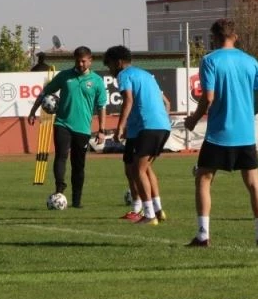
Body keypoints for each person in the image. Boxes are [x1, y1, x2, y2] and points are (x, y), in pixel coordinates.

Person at [184, 19, 258, 247]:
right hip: (245, 134)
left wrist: (193, 119)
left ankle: (203, 235)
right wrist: (247, 113)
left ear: (214, 38)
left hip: (219, 133)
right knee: (253, 182)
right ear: (235, 36)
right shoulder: (250, 61)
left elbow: (208, 97)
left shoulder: (210, 60)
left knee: (203, 178)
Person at [27, 46, 107, 208]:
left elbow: (101, 107)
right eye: (78, 61)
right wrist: (33, 111)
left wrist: (101, 130)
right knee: (61, 156)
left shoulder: (97, 81)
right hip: (62, 123)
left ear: (90, 61)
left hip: (83, 128)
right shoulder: (64, 76)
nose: (80, 64)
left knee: (78, 164)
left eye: (83, 61)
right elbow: (45, 92)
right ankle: (59, 190)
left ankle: (77, 200)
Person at [103, 45, 171, 225]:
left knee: (137, 170)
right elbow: (167, 102)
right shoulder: (146, 75)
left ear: (118, 62)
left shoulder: (124, 75)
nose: (110, 70)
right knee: (144, 168)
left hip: (146, 127)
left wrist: (120, 126)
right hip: (160, 126)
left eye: (109, 65)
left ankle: (148, 215)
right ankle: (158, 210)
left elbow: (128, 100)